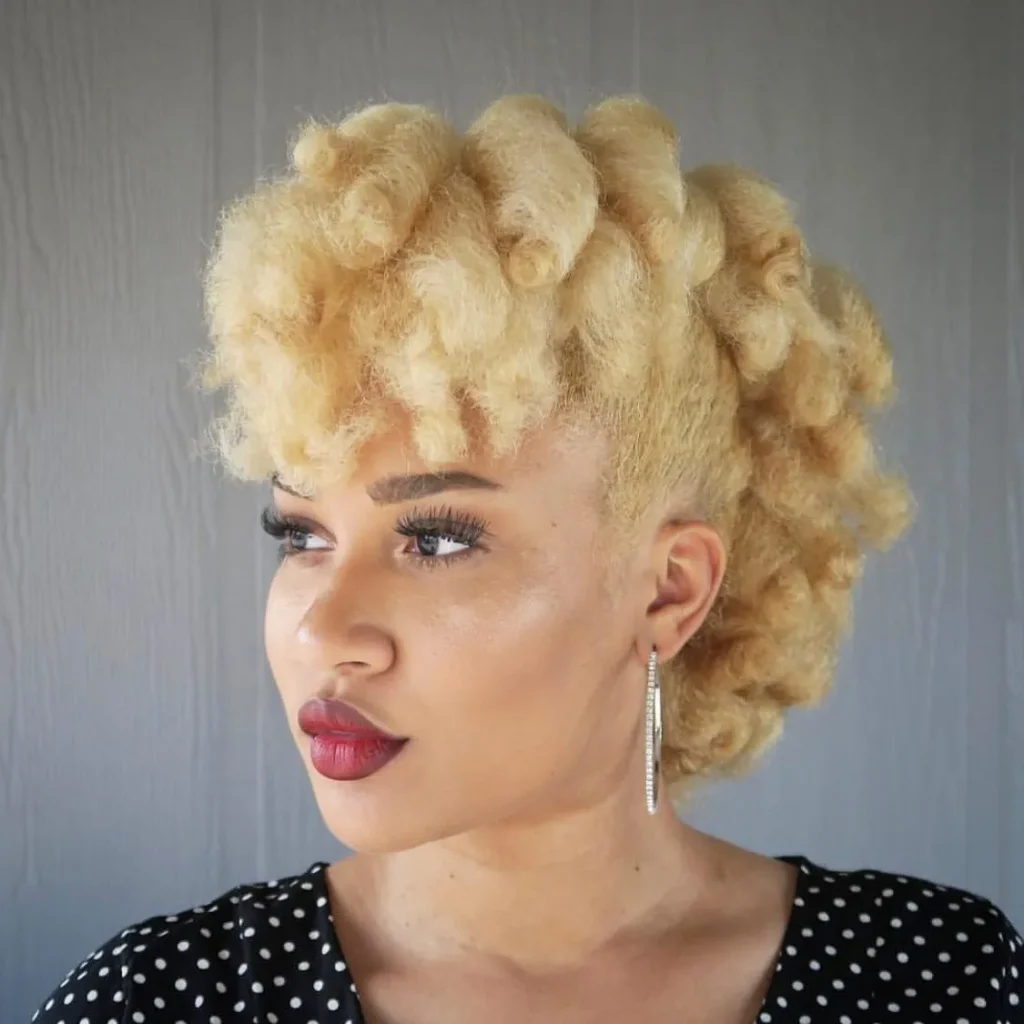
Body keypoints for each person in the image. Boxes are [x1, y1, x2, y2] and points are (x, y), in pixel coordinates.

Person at [34, 94, 1021, 1024]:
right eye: (301, 536)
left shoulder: (943, 982)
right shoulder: (158, 1001)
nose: (322, 631)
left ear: (670, 591)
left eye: (435, 538)